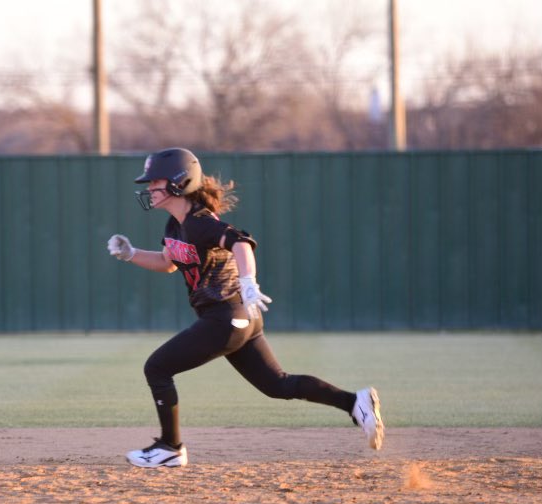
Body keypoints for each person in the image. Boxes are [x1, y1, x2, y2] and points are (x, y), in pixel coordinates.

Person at [107, 147, 384, 468]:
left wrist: (249, 281)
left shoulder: (199, 221)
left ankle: (170, 447)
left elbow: (241, 242)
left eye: (154, 182)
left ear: (178, 182)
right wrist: (131, 254)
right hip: (234, 319)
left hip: (226, 316)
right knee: (277, 385)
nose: (148, 189)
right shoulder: (175, 226)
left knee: (157, 368)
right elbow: (169, 263)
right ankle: (355, 402)